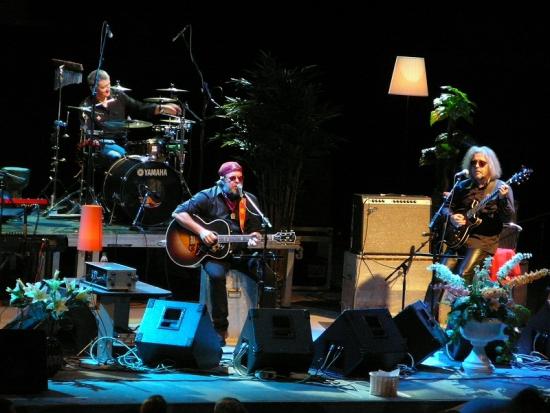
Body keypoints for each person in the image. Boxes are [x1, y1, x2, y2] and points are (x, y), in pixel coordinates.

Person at [172, 161, 267, 345]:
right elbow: (178, 213)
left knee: (267, 276)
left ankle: (263, 328)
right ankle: (220, 329)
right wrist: (202, 231)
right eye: (232, 178)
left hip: (240, 252)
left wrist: (255, 237)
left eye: (240, 178)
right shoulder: (207, 196)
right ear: (222, 180)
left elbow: (255, 231)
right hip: (213, 254)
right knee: (216, 276)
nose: (237, 182)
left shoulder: (249, 201)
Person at [426, 146, 515, 320]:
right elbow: (445, 207)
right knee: (439, 275)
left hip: (483, 241)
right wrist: (452, 217)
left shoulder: (500, 187)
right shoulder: (462, 185)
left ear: (491, 166)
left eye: (482, 163)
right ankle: (428, 318)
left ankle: (457, 321)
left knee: (462, 275)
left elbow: (508, 217)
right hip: (457, 239)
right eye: (473, 163)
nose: (477, 166)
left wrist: (503, 199)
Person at [79, 69, 182, 168]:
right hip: (102, 147)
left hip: (123, 143)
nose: (108, 90)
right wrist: (94, 140)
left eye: (109, 85)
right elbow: (87, 131)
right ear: (93, 89)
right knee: (116, 156)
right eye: (103, 87)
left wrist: (162, 108)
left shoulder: (118, 96)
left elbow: (139, 108)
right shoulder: (86, 106)